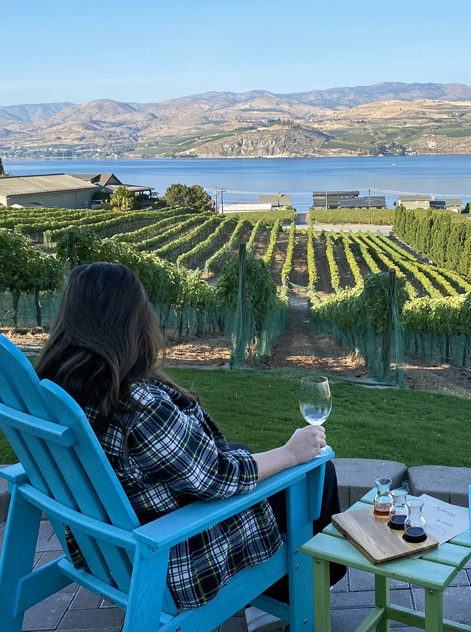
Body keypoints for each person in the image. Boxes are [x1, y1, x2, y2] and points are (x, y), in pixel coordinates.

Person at [34, 261, 345, 621]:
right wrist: (291, 453)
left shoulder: (59, 389)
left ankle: (277, 595)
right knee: (317, 475)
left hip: (110, 545)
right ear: (130, 321)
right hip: (176, 555)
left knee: (257, 459)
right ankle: (292, 594)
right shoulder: (135, 406)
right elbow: (217, 477)